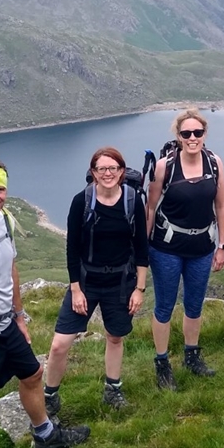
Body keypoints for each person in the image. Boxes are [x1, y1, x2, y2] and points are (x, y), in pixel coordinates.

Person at [0, 160, 90, 448]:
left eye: (0, 189)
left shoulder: (5, 220)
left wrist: (19, 317)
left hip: (5, 323)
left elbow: (10, 268)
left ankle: (46, 436)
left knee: (33, 374)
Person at [43, 148, 149, 415]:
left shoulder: (132, 200)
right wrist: (76, 290)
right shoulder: (82, 201)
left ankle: (113, 389)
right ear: (93, 172)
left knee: (115, 337)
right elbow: (72, 249)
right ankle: (49, 396)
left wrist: (139, 288)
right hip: (86, 281)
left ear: (121, 171)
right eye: (102, 169)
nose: (108, 173)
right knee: (59, 344)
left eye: (113, 168)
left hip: (120, 283)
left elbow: (141, 246)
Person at [144, 108, 224, 391]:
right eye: (186, 133)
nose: (192, 138)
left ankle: (192, 356)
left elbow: (221, 206)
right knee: (164, 306)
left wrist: (222, 246)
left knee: (194, 304)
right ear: (178, 136)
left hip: (202, 247)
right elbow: (150, 208)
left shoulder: (214, 163)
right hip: (166, 248)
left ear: (204, 134)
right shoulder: (164, 167)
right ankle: (162, 363)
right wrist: (142, 249)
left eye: (197, 132)